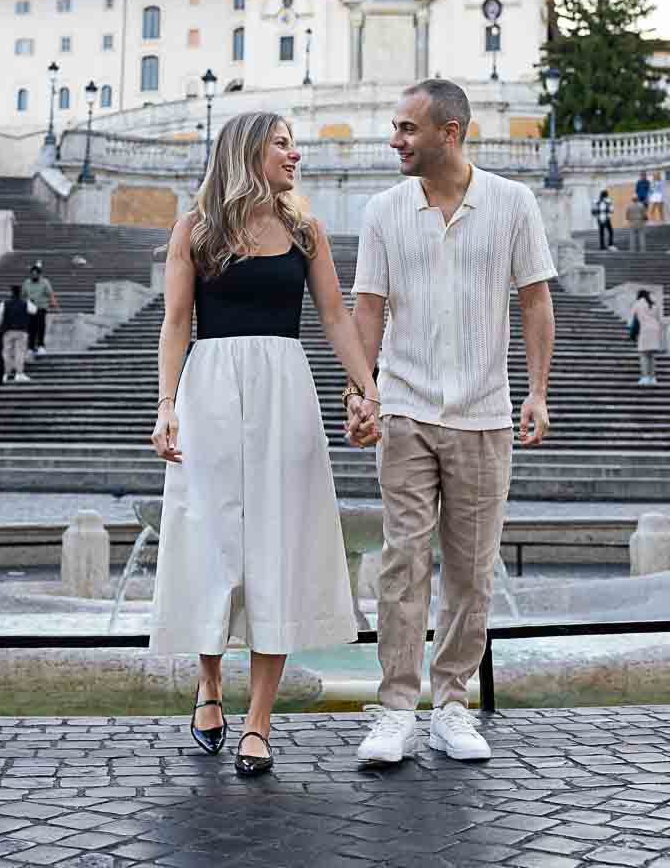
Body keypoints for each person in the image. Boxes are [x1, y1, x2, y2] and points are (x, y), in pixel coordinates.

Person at [149, 112, 380, 778]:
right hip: (210, 387)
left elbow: (335, 315)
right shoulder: (194, 229)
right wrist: (166, 407)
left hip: (285, 389)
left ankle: (259, 720)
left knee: (276, 546)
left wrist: (368, 388)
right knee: (211, 541)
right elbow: (174, 323)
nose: (295, 153)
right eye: (282, 144)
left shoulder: (306, 230)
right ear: (247, 152)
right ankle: (211, 685)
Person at [346, 79, 556, 766]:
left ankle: (453, 702)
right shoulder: (383, 210)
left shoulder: (513, 203)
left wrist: (538, 392)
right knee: (403, 560)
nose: (395, 140)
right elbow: (368, 308)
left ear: (451, 131)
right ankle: (396, 710)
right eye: (395, 127)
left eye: (407, 128)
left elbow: (533, 302)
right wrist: (361, 389)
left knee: (471, 569)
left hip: (485, 411)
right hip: (405, 405)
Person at [0, 285, 36, 382]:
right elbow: (34, 310)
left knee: (7, 352)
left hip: (8, 331)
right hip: (21, 331)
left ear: (11, 293)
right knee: (20, 352)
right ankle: (19, 373)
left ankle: (5, 374)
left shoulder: (4, 303)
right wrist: (29, 301)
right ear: (20, 293)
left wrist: (3, 324)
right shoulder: (25, 303)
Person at [22, 261, 59, 357]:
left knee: (41, 327)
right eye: (32, 274)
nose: (34, 276)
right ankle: (30, 347)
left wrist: (54, 304)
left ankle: (41, 346)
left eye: (36, 274)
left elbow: (50, 294)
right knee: (31, 328)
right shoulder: (26, 283)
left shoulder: (45, 282)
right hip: (30, 309)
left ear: (39, 274)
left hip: (41, 308)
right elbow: (23, 295)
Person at [630, 289, 662, 385]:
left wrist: (632, 332)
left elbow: (632, 319)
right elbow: (658, 318)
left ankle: (645, 377)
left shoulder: (638, 304)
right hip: (655, 329)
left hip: (644, 330)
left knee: (643, 355)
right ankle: (653, 378)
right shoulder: (654, 304)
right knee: (651, 355)